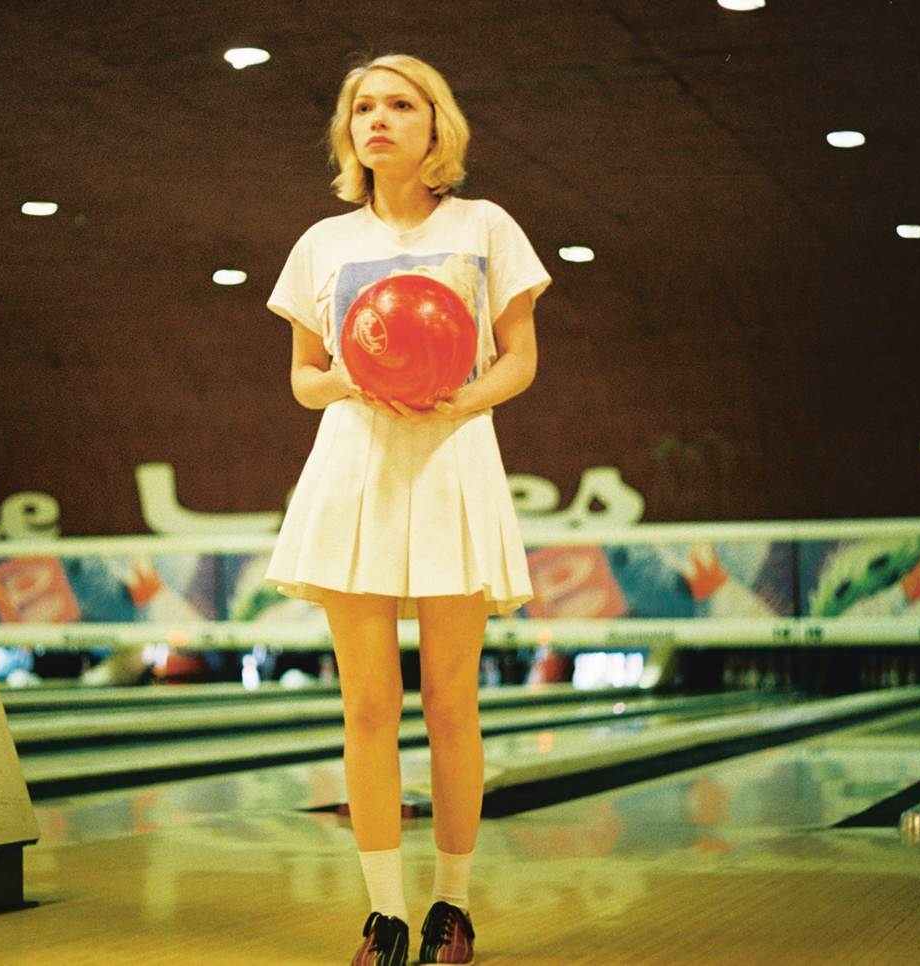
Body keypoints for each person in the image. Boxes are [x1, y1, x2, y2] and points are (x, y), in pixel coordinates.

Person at [265, 53, 550, 965]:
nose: (377, 119)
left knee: (450, 703)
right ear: (349, 133)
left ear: (437, 125)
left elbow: (519, 357)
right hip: (355, 471)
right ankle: (384, 913)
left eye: (399, 104)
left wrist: (458, 399)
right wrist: (354, 380)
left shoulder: (486, 225)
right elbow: (305, 380)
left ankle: (451, 909)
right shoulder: (321, 243)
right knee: (368, 706)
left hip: (452, 466)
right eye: (361, 108)